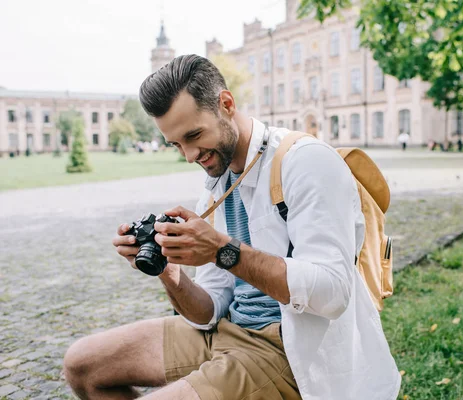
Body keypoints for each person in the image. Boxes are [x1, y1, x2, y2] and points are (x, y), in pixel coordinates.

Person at [63, 54, 401, 400]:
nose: (189, 155)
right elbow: (208, 311)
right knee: (82, 366)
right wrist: (168, 271)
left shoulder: (306, 161)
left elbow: (333, 294)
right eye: (176, 143)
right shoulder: (216, 185)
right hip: (226, 331)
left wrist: (222, 250)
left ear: (226, 103)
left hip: (290, 349)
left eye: (194, 135)